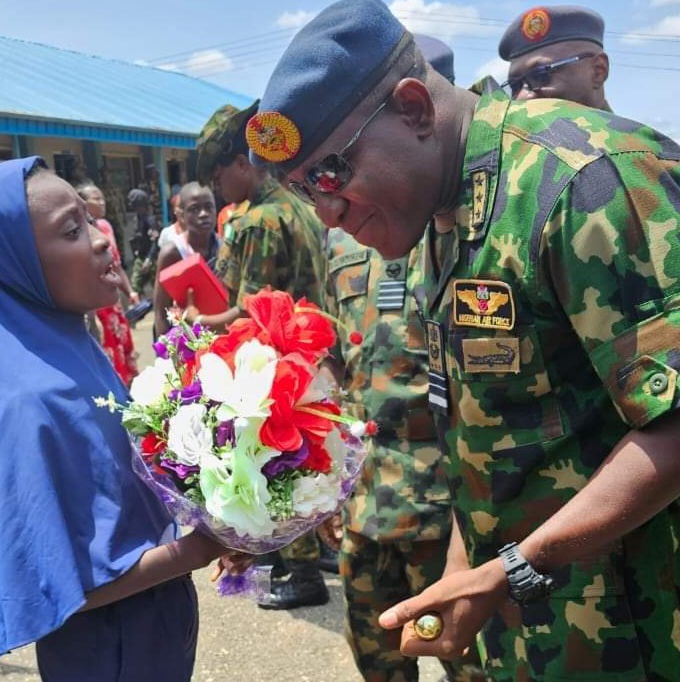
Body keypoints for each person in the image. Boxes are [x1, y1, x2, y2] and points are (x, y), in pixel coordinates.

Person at [248, 0, 680, 681]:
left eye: (332, 174)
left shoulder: (581, 177)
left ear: (415, 108)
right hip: (534, 636)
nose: (327, 212)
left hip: (641, 633)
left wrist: (511, 569)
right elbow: (484, 429)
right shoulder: (442, 215)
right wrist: (462, 566)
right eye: (306, 193)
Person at [0, 157, 248, 681]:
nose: (99, 240)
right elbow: (61, 587)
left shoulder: (68, 346)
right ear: (14, 261)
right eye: (72, 230)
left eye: (91, 222)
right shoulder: (29, 399)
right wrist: (205, 545)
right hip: (108, 651)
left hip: (150, 626)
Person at [322, 36, 480, 682]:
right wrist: (328, 482)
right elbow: (336, 365)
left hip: (451, 519)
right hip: (367, 510)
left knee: (472, 670)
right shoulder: (346, 244)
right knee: (379, 668)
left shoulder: (466, 237)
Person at [191, 100, 330, 611]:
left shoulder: (258, 222)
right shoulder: (300, 204)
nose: (217, 188)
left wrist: (205, 328)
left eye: (219, 175)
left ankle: (301, 568)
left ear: (243, 163)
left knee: (281, 464)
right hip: (311, 353)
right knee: (313, 458)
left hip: (273, 366)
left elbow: (246, 311)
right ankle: (313, 551)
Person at [76, 182, 140, 386]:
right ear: (82, 202)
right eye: (96, 198)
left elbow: (116, 264)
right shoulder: (77, 232)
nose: (102, 202)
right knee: (106, 351)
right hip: (96, 305)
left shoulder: (105, 227)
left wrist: (130, 291)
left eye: (102, 197)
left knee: (122, 346)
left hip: (113, 302)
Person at [498, 5, 611, 110]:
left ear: (598, 70)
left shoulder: (626, 132)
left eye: (540, 76)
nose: (521, 97)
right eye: (514, 86)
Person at [153, 181, 220, 336]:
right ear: (181, 216)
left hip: (220, 332)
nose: (203, 214)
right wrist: (166, 353)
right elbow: (161, 309)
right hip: (186, 338)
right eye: (194, 209)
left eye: (209, 207)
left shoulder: (224, 247)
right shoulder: (172, 253)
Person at [128, 187, 159, 297]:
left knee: (158, 288)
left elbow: (155, 241)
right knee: (135, 286)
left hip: (151, 259)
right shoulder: (137, 219)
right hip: (140, 258)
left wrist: (149, 260)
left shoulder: (150, 220)